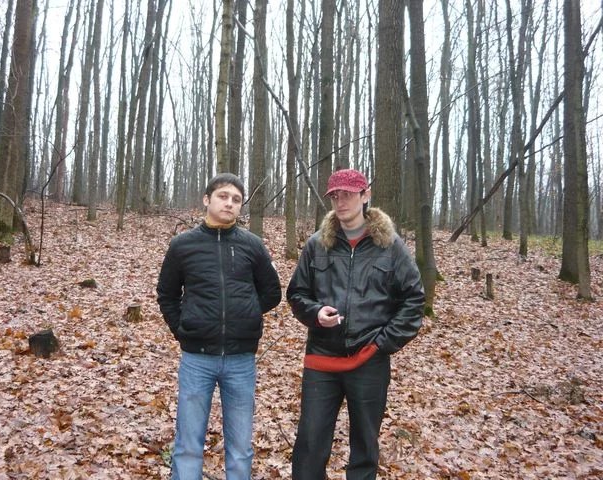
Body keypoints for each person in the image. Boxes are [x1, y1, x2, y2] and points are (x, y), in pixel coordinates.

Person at [287, 168, 424, 479]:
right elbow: (296, 293)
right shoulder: (317, 244)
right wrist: (315, 313)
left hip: (369, 361)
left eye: (348, 194)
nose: (340, 201)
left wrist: (382, 343)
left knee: (364, 445)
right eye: (335, 195)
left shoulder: (390, 246)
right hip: (322, 360)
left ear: (365, 196)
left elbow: (414, 300)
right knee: (310, 443)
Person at [157, 173, 282, 480]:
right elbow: (167, 295)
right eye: (223, 196)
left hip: (241, 360)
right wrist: (183, 329)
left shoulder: (252, 245)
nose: (229, 203)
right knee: (188, 444)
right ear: (207, 200)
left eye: (236, 199)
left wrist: (246, 314)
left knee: (240, 447)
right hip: (196, 359)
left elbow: (272, 293)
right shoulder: (182, 245)